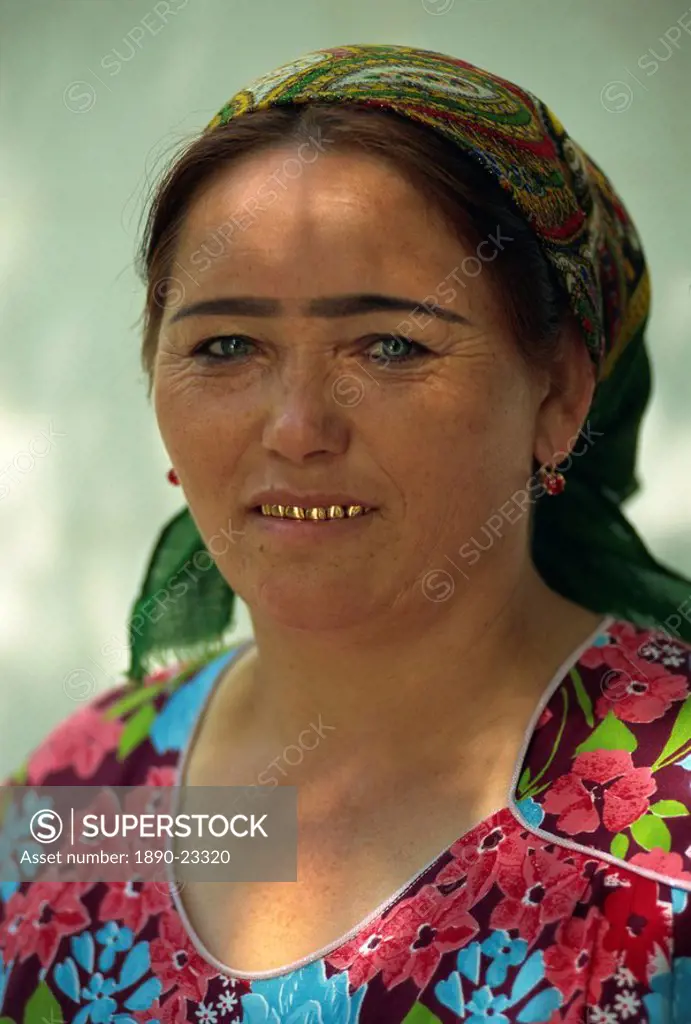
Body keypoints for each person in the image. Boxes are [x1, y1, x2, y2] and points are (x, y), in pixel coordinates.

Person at [2, 42, 691, 1024]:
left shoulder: (665, 818)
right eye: (226, 346)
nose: (296, 429)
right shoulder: (97, 789)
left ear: (560, 394)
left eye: (390, 345)